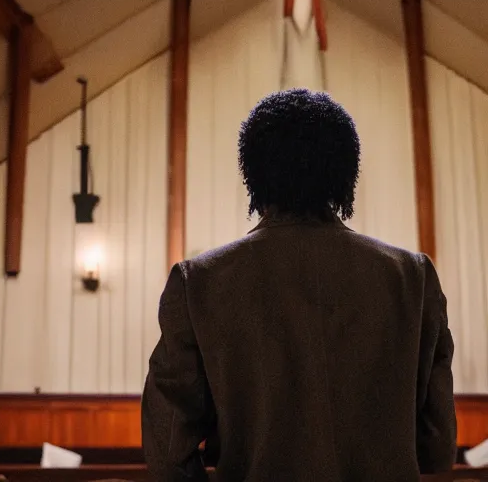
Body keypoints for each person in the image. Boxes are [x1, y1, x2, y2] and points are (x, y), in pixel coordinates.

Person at [142, 89, 456, 481]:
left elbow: (169, 451)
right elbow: (439, 448)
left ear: (253, 172)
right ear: (346, 172)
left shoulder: (199, 283)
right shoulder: (413, 277)